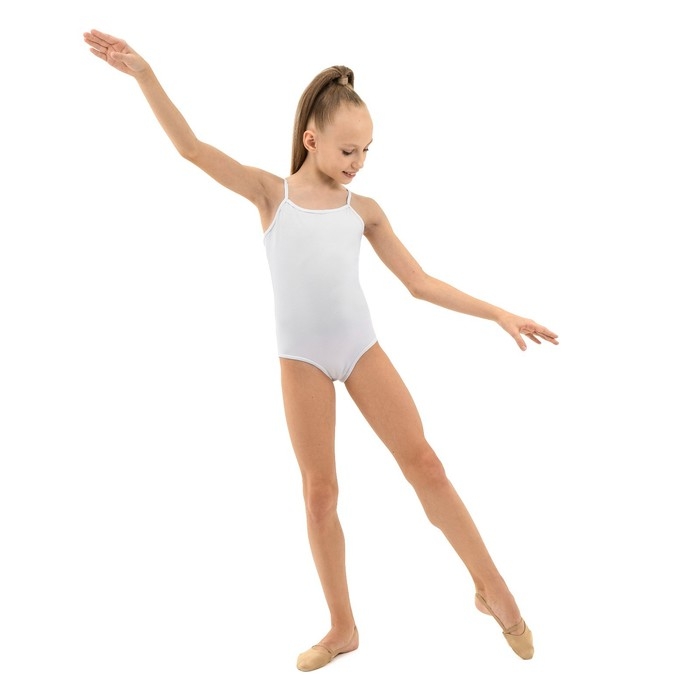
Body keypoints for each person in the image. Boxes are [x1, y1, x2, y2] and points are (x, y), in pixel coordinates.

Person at [83, 28, 559, 672]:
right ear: (311, 140)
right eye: (348, 149)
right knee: (320, 494)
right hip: (302, 359)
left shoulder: (365, 211)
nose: (359, 161)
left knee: (426, 464)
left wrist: (498, 312)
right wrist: (144, 74)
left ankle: (493, 589)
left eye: (366, 151)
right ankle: (342, 627)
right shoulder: (269, 194)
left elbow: (420, 283)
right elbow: (191, 148)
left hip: (360, 350)